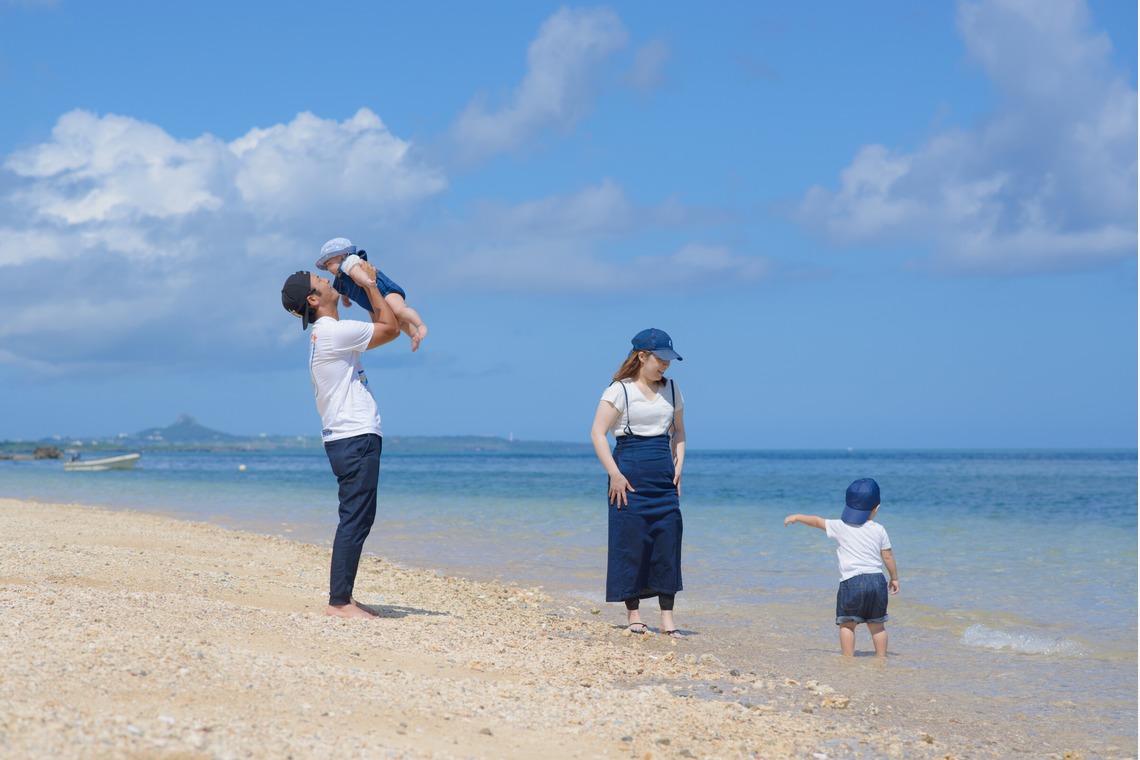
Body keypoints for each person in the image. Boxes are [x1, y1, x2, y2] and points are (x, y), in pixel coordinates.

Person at [280, 260, 401, 619]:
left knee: (356, 517)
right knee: (356, 519)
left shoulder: (326, 335)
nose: (330, 280)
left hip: (345, 437)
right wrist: (368, 284)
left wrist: (358, 290)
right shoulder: (332, 332)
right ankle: (339, 603)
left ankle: (344, 597)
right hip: (354, 436)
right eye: (321, 279)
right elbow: (390, 328)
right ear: (314, 300)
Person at [590, 328, 687, 638]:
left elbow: (680, 432)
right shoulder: (619, 390)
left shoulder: (672, 389)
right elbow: (597, 433)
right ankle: (634, 615)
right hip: (628, 477)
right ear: (642, 356)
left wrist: (679, 467)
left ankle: (667, 618)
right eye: (661, 359)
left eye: (669, 360)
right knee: (631, 545)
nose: (665, 366)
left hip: (663, 477)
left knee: (667, 544)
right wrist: (615, 474)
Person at [783, 478, 900, 657]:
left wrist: (797, 517)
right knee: (878, 626)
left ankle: (847, 659)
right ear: (876, 508)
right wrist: (894, 578)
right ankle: (881, 659)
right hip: (877, 582)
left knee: (847, 624)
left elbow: (816, 521)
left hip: (851, 582)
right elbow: (888, 556)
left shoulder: (840, 526)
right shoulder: (879, 529)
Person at [316, 237, 428, 351]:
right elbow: (344, 291)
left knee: (400, 310)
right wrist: (345, 299)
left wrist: (366, 282)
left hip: (384, 291)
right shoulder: (340, 279)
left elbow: (357, 272)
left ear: (342, 256)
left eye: (330, 263)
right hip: (371, 301)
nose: (329, 268)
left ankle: (420, 324)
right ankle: (414, 334)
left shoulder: (349, 261)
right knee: (397, 321)